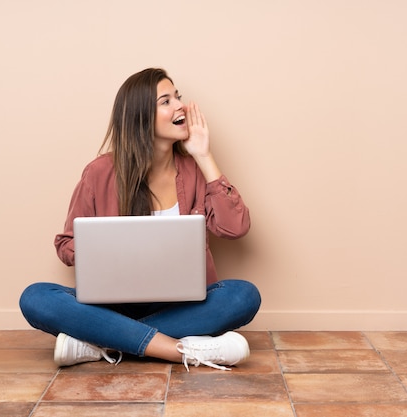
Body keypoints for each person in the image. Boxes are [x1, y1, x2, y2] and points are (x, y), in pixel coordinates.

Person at [19, 68, 261, 371]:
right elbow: (66, 245)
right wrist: (104, 251)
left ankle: (102, 340)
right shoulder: (99, 172)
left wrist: (204, 155)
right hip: (112, 303)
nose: (180, 106)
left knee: (244, 296)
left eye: (178, 97)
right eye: (166, 101)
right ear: (140, 116)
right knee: (36, 297)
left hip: (182, 305)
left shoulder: (194, 170)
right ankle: (180, 350)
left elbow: (234, 227)